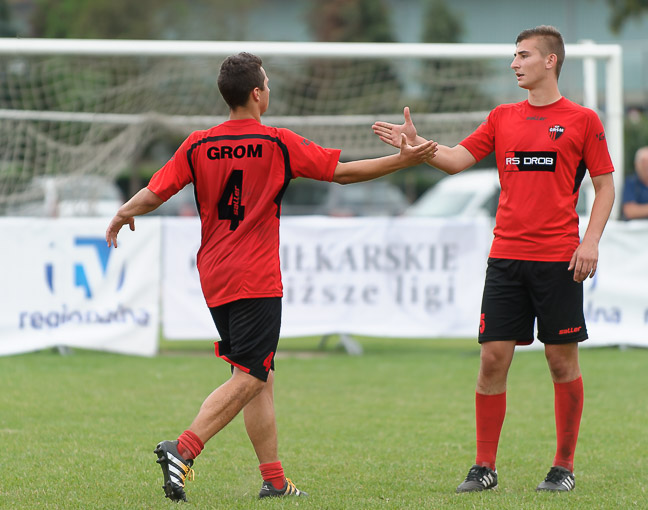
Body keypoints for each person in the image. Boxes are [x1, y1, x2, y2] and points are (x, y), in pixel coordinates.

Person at [105, 52, 437, 503]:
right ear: (257, 93)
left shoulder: (198, 145)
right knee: (250, 376)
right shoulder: (276, 142)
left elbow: (154, 192)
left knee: (257, 373)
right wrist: (402, 161)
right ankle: (182, 449)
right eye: (267, 83)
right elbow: (342, 173)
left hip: (215, 275)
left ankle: (275, 481)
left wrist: (122, 213)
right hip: (255, 277)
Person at [372, 25, 615, 493]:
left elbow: (604, 186)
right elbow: (456, 159)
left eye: (523, 55)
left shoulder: (583, 120)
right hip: (506, 258)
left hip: (559, 261)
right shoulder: (502, 116)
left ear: (550, 61)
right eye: (514, 55)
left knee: (561, 363)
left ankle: (563, 466)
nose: (514, 63)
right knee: (491, 361)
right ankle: (484, 467)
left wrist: (590, 241)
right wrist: (418, 147)